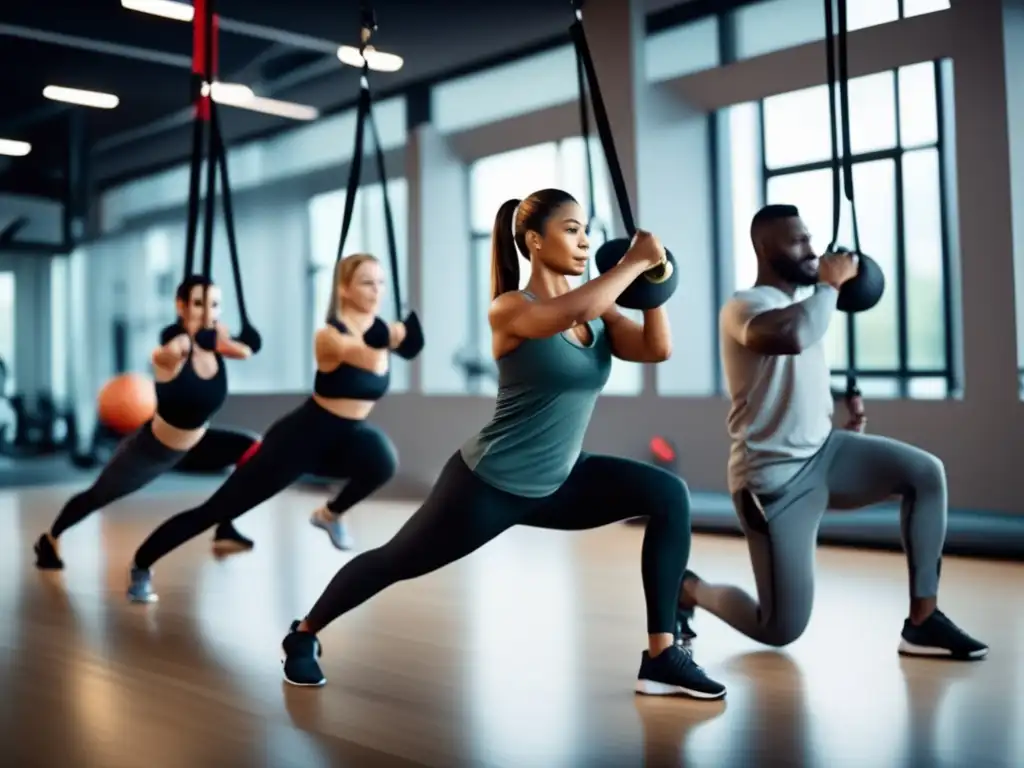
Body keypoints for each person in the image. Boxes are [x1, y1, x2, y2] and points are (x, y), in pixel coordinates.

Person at [279, 188, 727, 701]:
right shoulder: (512, 308)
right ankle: (305, 633)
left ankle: (661, 656)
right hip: (489, 483)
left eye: (586, 229)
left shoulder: (597, 314)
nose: (584, 241)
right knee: (396, 560)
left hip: (561, 477)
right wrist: (632, 264)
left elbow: (655, 348)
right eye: (571, 229)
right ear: (534, 241)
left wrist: (653, 285)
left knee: (668, 494)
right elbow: (566, 312)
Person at [675, 204, 987, 661]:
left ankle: (923, 622)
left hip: (827, 453)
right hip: (774, 482)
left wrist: (841, 396)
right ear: (764, 247)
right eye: (798, 240)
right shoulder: (744, 306)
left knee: (925, 473)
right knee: (780, 628)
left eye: (810, 238)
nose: (812, 250)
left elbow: (794, 363)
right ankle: (689, 590)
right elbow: (793, 337)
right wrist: (828, 284)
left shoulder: (801, 306)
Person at [125, 253, 411, 603]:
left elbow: (397, 347)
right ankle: (141, 564)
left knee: (383, 460)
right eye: (368, 282)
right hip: (298, 439)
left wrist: (398, 334)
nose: (377, 290)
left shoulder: (378, 330)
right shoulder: (330, 336)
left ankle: (330, 514)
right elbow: (365, 356)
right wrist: (397, 334)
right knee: (217, 510)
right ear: (344, 289)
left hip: (347, 436)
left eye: (381, 282)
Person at [33, 275, 258, 571]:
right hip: (154, 450)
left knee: (254, 449)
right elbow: (162, 354)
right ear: (180, 305)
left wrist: (233, 340)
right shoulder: (174, 349)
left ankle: (224, 524)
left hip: (197, 443)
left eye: (215, 304)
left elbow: (245, 349)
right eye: (199, 303)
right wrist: (174, 349)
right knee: (97, 496)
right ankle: (49, 539)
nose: (208, 312)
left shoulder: (215, 347)